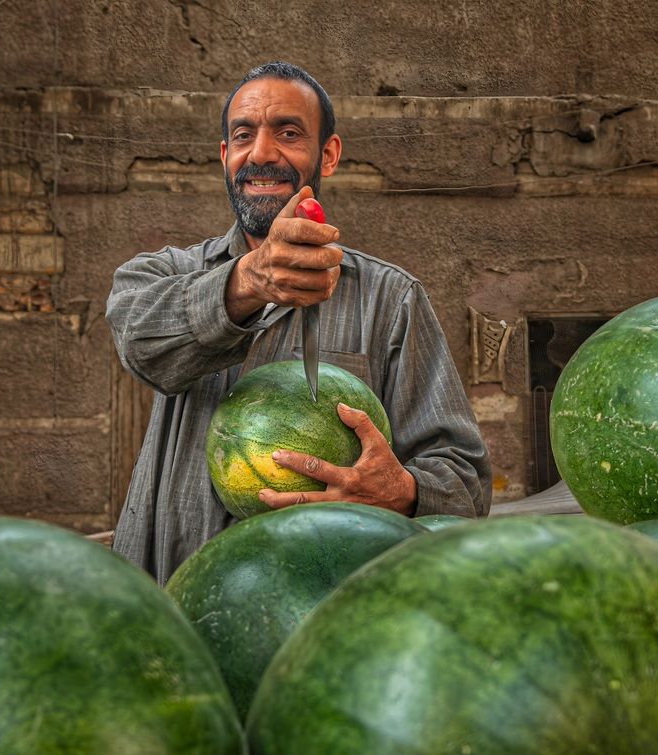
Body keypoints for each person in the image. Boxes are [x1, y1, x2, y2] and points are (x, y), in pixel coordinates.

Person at [107, 61, 491, 585]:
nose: (261, 153)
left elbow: (466, 482)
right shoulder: (164, 273)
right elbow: (139, 343)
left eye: (288, 133)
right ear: (225, 155)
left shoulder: (391, 299)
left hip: (317, 607)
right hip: (169, 600)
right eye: (244, 135)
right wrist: (247, 283)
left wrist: (402, 490)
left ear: (327, 154)